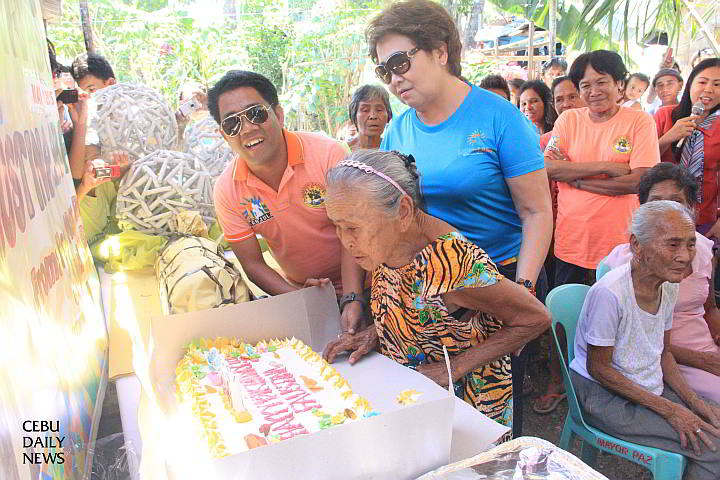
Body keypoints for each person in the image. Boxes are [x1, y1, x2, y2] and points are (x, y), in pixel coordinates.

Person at [367, 0, 553, 437]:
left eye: (400, 61)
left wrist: (519, 291)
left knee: (494, 406)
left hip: (501, 279)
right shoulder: (399, 131)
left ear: (440, 51)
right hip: (435, 287)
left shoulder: (498, 117)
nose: (394, 78)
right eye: (383, 70)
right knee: (439, 396)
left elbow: (537, 211)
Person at [322, 150, 550, 435]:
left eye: (353, 228)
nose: (345, 241)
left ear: (403, 211)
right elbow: (414, 307)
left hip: (467, 417)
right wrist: (375, 332)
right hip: (419, 404)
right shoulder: (388, 243)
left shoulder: (451, 263)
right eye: (337, 227)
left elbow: (535, 318)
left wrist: (453, 367)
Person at [570, 201, 720, 480]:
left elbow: (662, 353)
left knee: (712, 421)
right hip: (602, 394)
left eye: (689, 244)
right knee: (712, 448)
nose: (685, 256)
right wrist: (673, 410)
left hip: (646, 384)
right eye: (673, 244)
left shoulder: (668, 284)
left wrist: (693, 400)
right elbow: (599, 369)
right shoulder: (611, 293)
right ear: (637, 246)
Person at [210, 71, 367, 329]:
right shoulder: (227, 190)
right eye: (232, 124)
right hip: (301, 293)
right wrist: (300, 301)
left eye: (256, 114)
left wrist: (353, 297)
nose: (248, 128)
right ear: (224, 135)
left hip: (366, 282)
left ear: (279, 115)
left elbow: (354, 228)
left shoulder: (328, 154)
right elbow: (252, 263)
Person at [604, 163, 720, 403]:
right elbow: (632, 339)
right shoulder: (625, 262)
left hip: (706, 351)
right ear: (642, 209)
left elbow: (709, 309)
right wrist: (702, 360)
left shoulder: (703, 249)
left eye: (676, 202)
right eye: (656, 202)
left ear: (691, 208)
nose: (667, 211)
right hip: (658, 359)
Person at [545, 50, 660, 286]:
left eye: (601, 82)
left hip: (620, 246)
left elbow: (638, 182)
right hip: (572, 244)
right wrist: (608, 167)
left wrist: (576, 179)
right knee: (568, 316)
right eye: (585, 85)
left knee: (618, 318)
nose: (594, 91)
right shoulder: (568, 120)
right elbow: (547, 168)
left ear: (619, 84)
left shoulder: (639, 121)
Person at [533, 75, 587, 415]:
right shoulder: (547, 140)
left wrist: (574, 175)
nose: (566, 103)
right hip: (557, 236)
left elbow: (634, 177)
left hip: (601, 237)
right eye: (560, 98)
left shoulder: (614, 128)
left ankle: (590, 385)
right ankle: (558, 379)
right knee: (561, 315)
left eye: (571, 97)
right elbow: (547, 172)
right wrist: (606, 172)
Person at [654, 58, 720, 242]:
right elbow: (642, 161)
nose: (708, 89)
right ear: (690, 84)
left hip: (703, 217)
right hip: (658, 212)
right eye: (702, 82)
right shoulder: (664, 115)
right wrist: (670, 136)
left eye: (717, 84)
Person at [347, 84, 392, 151]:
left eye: (379, 110)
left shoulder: (394, 149)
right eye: (365, 110)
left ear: (388, 115)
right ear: (354, 116)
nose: (373, 116)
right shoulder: (342, 151)